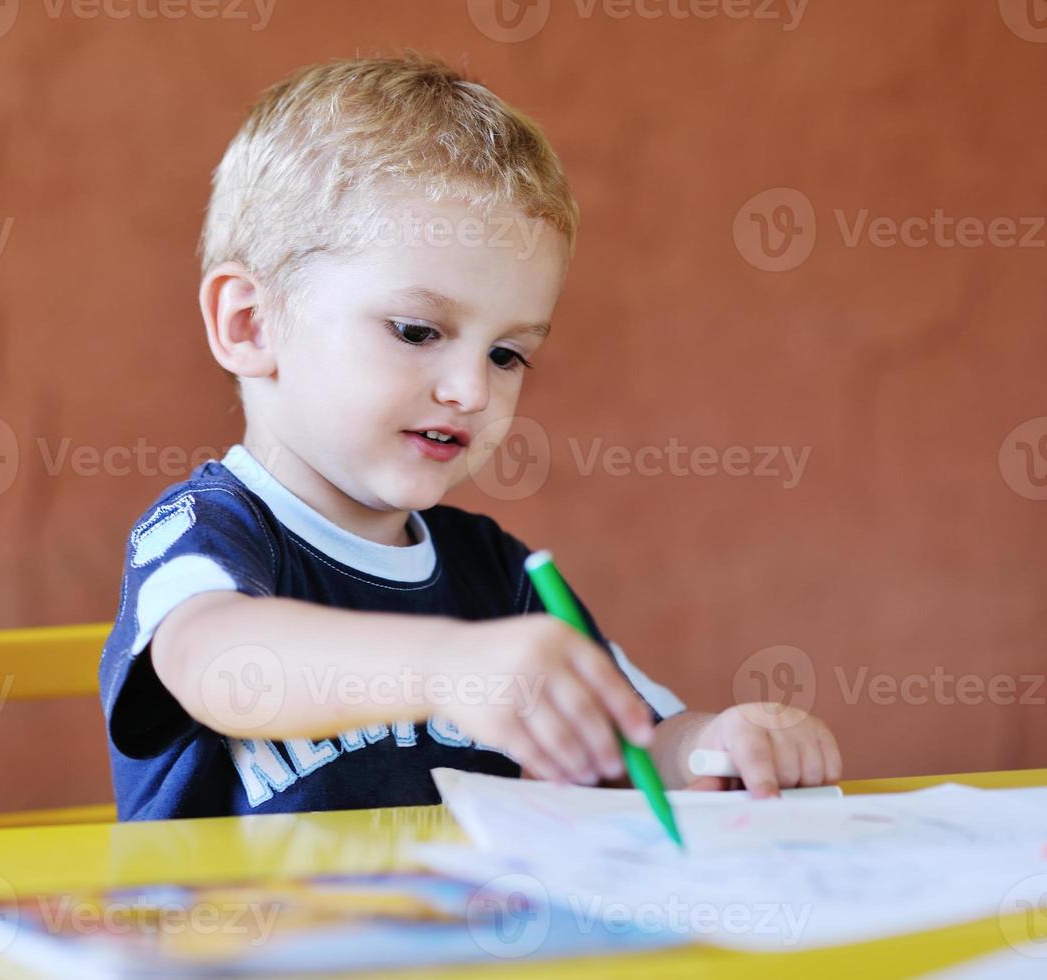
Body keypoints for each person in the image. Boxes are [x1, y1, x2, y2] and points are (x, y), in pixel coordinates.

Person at [98, 52, 841, 821]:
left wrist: (719, 745)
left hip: (456, 938)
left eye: (507, 353)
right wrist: (447, 665)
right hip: (231, 938)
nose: (473, 389)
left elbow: (633, 746)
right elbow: (218, 661)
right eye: (418, 330)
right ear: (249, 323)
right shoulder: (212, 531)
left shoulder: (497, 574)